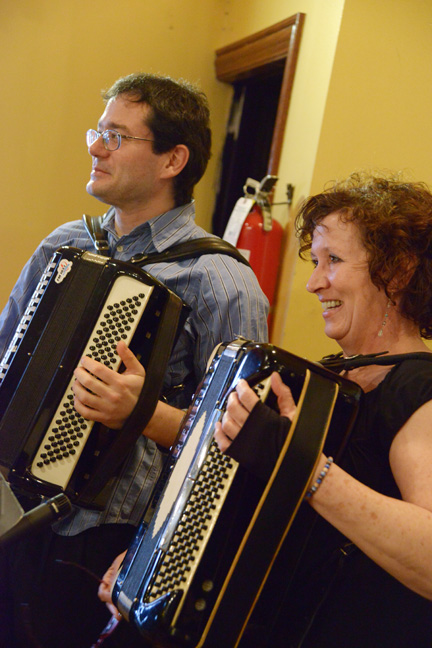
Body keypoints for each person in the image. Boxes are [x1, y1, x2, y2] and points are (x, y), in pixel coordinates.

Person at [0, 72, 268, 648]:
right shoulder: (66, 243)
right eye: (97, 132)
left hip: (110, 545)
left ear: (173, 159)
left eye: (117, 137)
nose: (97, 147)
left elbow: (233, 454)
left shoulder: (222, 283)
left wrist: (149, 554)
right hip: (12, 511)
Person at [211, 172, 432, 647]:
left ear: (398, 271)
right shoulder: (325, 378)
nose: (313, 282)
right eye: (315, 261)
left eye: (333, 260)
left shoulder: (419, 388)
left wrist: (303, 467)